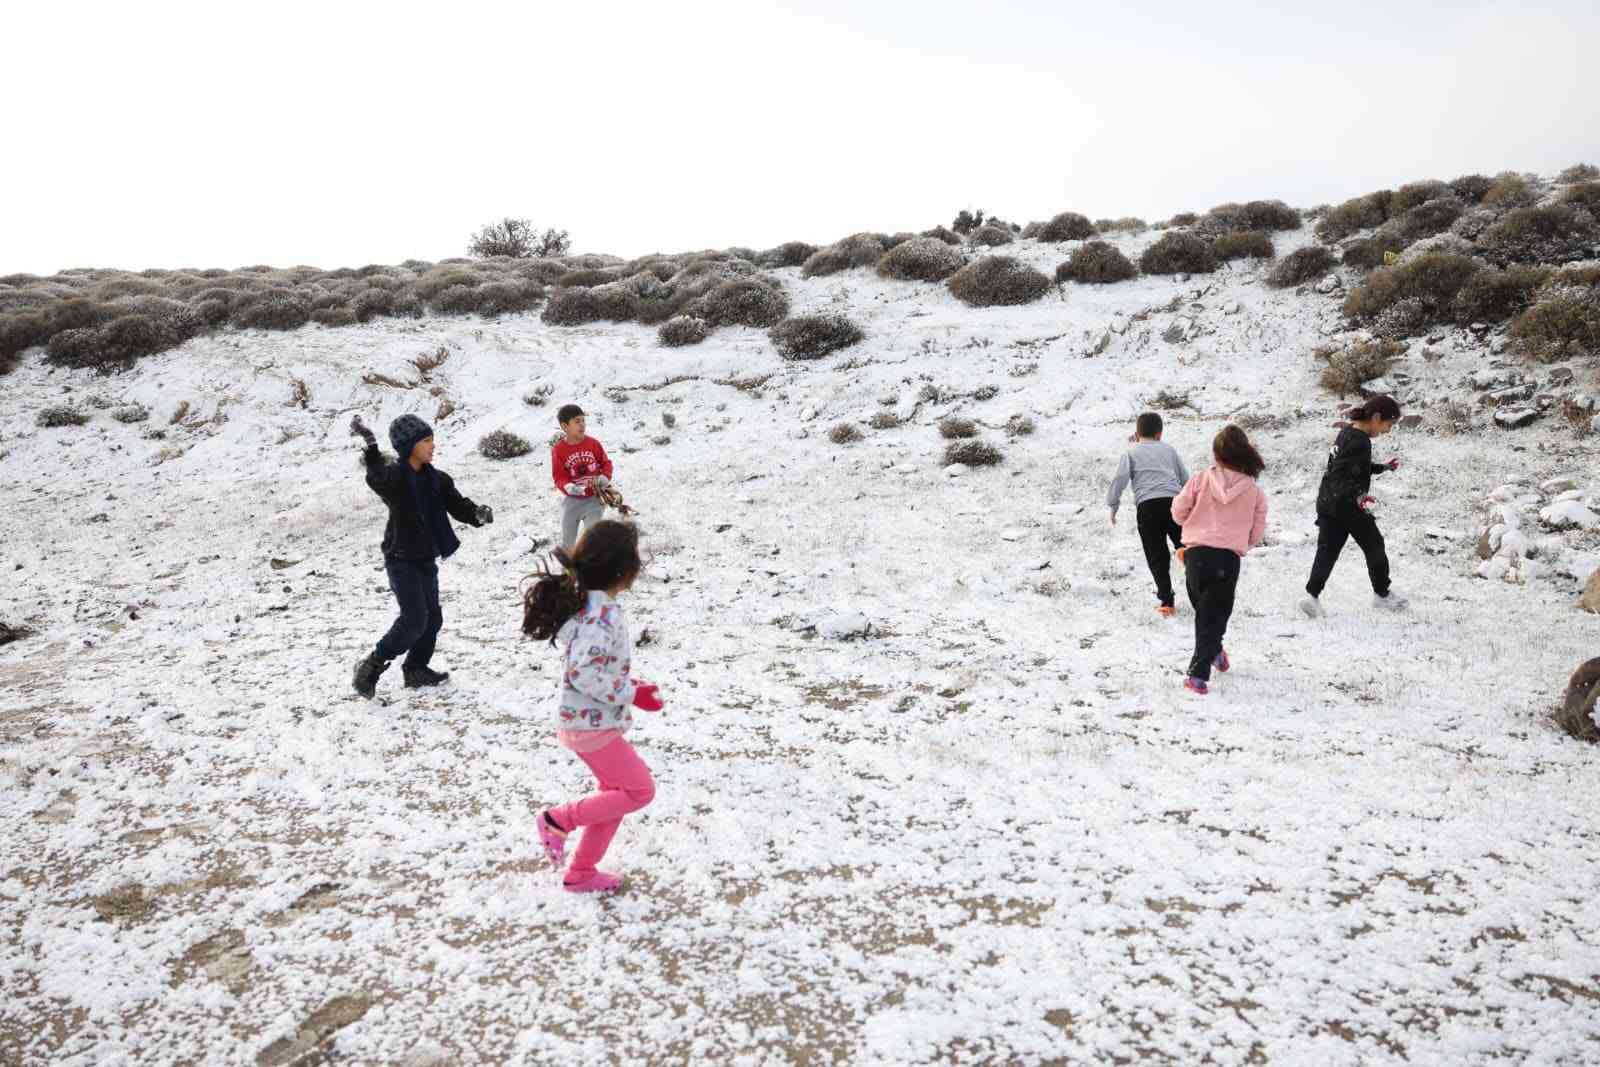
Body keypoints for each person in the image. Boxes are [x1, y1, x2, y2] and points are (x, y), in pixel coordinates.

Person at [524, 520, 662, 894]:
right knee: (639, 791)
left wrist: (632, 687)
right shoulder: (602, 616)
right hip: (589, 725)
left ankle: (582, 872)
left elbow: (595, 669)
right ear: (624, 569)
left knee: (615, 796)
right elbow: (583, 673)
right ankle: (558, 820)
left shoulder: (593, 607)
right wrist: (631, 694)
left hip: (586, 720)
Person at [350, 413, 493, 698]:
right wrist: (372, 445)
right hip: (400, 559)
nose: (432, 445)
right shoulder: (395, 478)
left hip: (426, 557)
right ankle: (371, 666)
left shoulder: (437, 479)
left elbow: (458, 505)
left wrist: (476, 514)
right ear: (409, 446)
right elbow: (376, 477)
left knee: (433, 619)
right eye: (426, 440)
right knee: (414, 619)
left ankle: (415, 668)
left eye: (432, 439)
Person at [1169, 425, 1268, 695]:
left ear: (1216, 454)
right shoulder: (1254, 492)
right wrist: (1241, 542)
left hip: (1196, 556)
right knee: (1214, 614)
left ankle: (1211, 655)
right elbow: (1257, 531)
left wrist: (1190, 524)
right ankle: (1201, 670)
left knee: (1205, 613)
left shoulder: (1199, 480)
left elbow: (1178, 510)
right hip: (1227, 559)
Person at [1299, 396, 1406, 618]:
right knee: (1374, 545)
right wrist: (1359, 495)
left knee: (1327, 550)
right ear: (1376, 417)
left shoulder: (1347, 432)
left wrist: (1383, 467)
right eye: (1389, 424)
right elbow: (1342, 473)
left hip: (1328, 502)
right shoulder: (1361, 441)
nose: (1388, 430)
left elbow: (1352, 466)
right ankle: (1382, 595)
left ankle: (1312, 596)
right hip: (1347, 506)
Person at [1107, 412, 1190, 616]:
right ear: (1159, 434)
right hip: (1173, 503)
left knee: (1156, 554)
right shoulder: (1169, 450)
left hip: (1148, 507)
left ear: (1137, 435)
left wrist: (1113, 505)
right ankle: (1192, 570)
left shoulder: (1130, 453)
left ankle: (1167, 601)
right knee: (1186, 544)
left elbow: (1119, 480)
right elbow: (1185, 479)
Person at [551, 404, 614, 550]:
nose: (582, 424)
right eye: (577, 421)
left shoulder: (593, 444)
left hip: (594, 499)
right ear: (565, 426)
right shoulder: (559, 450)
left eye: (583, 420)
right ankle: (568, 563)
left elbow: (606, 463)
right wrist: (568, 486)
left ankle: (592, 562)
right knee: (568, 542)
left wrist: (605, 476)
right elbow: (559, 475)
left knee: (592, 540)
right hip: (572, 501)